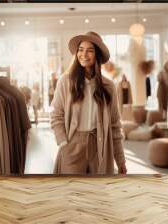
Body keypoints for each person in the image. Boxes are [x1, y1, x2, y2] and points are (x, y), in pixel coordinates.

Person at [50, 31, 127, 175]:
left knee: (97, 192)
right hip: (72, 144)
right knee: (72, 192)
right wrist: (63, 143)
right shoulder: (65, 81)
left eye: (90, 50)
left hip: (99, 146)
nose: (84, 55)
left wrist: (120, 160)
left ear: (97, 54)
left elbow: (115, 126)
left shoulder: (109, 86)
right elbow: (56, 115)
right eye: (81, 50)